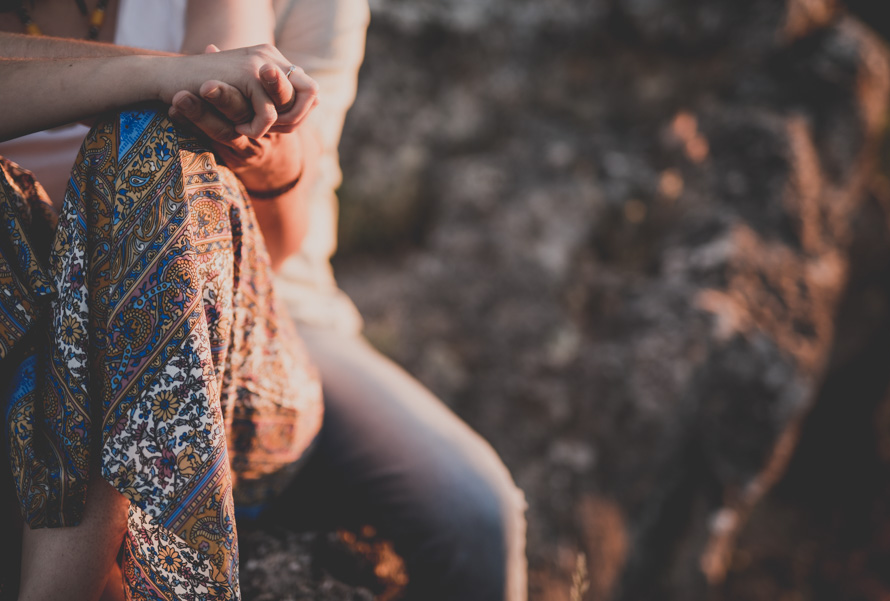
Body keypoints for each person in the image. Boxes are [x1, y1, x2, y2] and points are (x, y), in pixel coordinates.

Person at [1, 1, 528, 599]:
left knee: (475, 514)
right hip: (25, 292)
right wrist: (148, 74)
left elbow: (271, 238)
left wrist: (260, 141)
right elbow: (194, 75)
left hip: (247, 302)